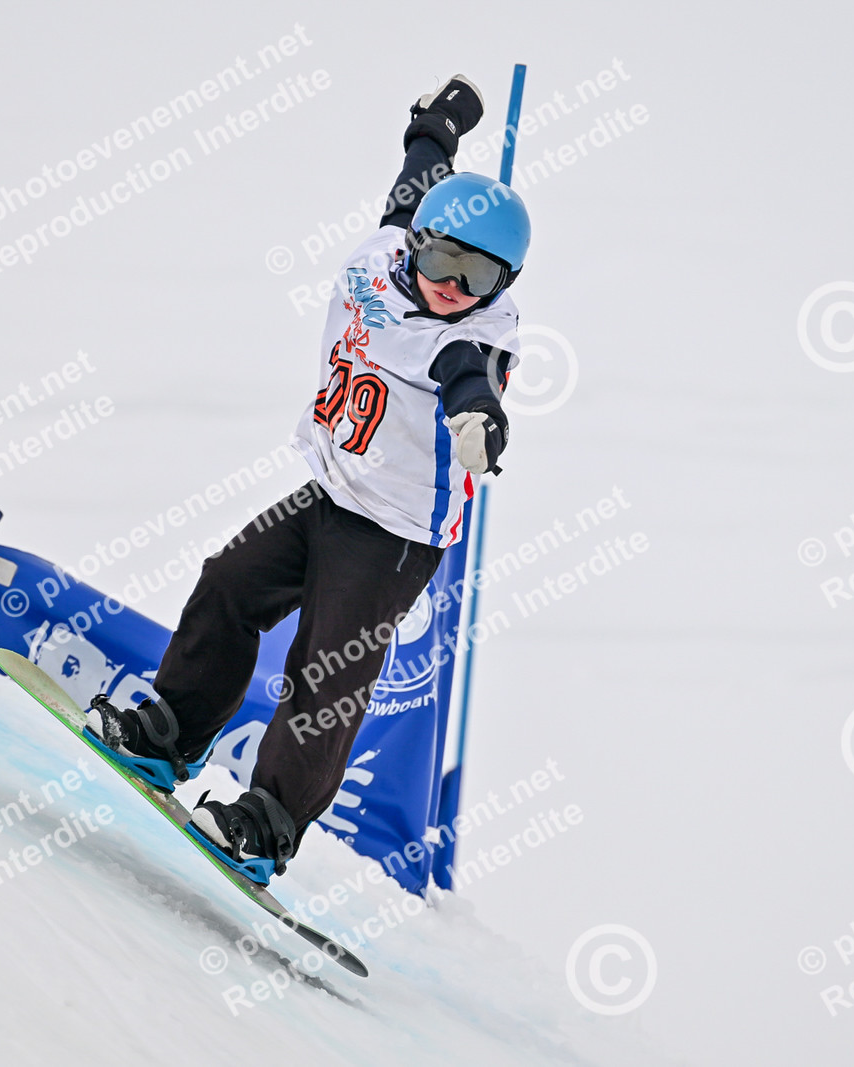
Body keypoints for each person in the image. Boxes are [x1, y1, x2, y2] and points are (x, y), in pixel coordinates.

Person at [83, 74, 531, 885]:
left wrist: (480, 420)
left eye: (480, 278)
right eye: (443, 259)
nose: (453, 286)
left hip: (392, 533)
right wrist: (437, 123)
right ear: (416, 241)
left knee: (328, 669)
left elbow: (472, 380)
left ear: (503, 287)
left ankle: (269, 822)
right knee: (229, 582)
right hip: (330, 489)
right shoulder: (384, 251)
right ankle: (171, 733)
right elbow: (418, 174)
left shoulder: (472, 338)